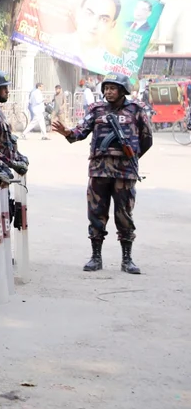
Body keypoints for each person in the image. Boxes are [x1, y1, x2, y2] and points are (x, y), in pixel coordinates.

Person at [52, 73, 153, 274]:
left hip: (125, 172)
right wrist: (67, 133)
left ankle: (127, 259)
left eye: (113, 88)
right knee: (96, 213)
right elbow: (81, 131)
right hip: (99, 170)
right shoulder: (96, 110)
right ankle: (96, 257)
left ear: (123, 90)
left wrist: (131, 156)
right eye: (106, 88)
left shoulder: (136, 110)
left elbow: (147, 138)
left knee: (124, 215)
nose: (108, 91)